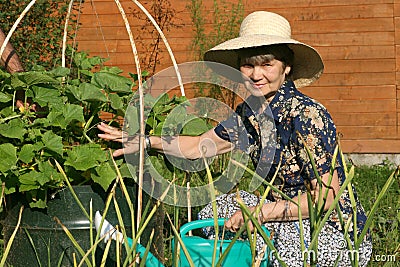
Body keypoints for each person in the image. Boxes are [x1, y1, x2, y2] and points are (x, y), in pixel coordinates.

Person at [98, 11, 372, 267]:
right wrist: (145, 141)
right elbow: (200, 146)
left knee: (283, 245)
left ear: (286, 67)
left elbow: (325, 198)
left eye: (267, 64)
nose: (256, 75)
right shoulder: (250, 113)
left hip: (333, 229)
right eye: (248, 65)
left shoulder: (306, 116)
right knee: (214, 213)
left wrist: (260, 213)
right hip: (281, 213)